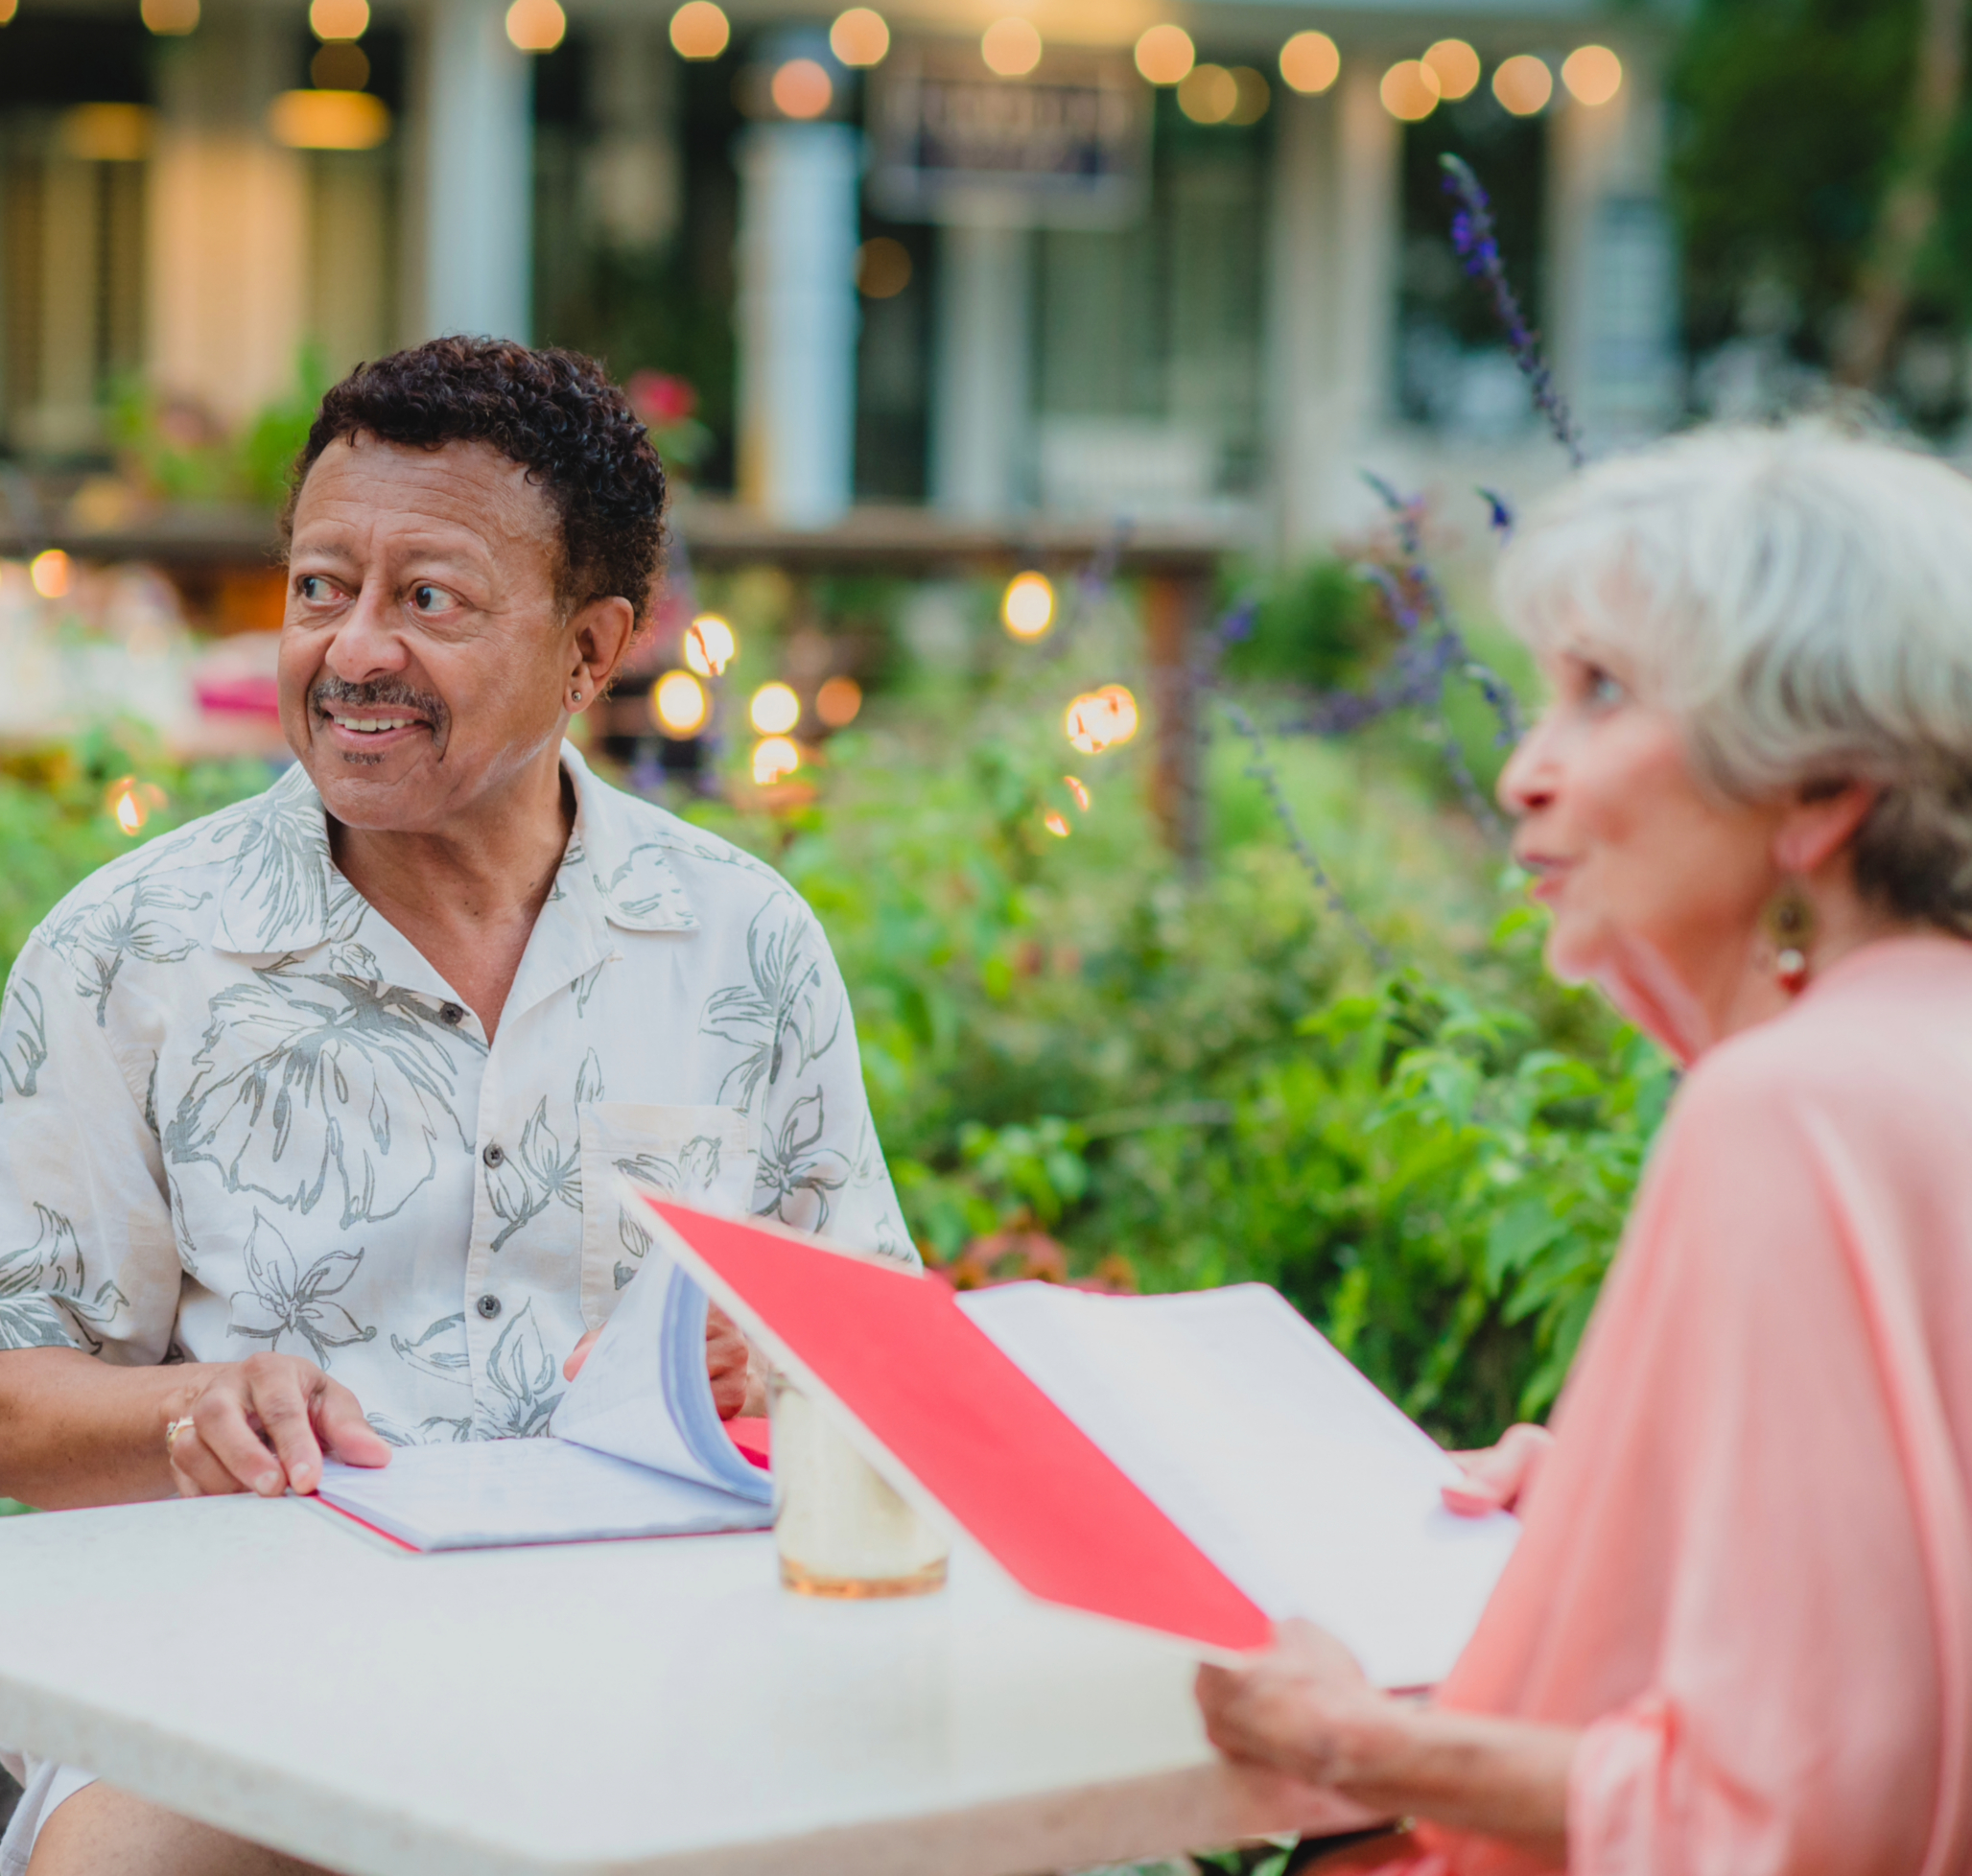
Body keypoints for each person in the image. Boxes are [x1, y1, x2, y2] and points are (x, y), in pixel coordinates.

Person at [0, 338, 912, 1875]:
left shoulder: (743, 942)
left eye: (427, 599)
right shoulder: (128, 951)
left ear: (591, 647)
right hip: (242, 1686)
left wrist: (780, 1362)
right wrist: (190, 1412)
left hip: (662, 1664)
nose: (351, 649)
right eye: (317, 588)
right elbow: (16, 1401)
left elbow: (881, 1348)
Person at [1197, 425, 1972, 1876]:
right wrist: (1643, 1487)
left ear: (1819, 787)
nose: (1521, 773)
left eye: (1602, 693)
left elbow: (1810, 1821)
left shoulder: (1792, 1107)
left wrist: (1349, 1740)